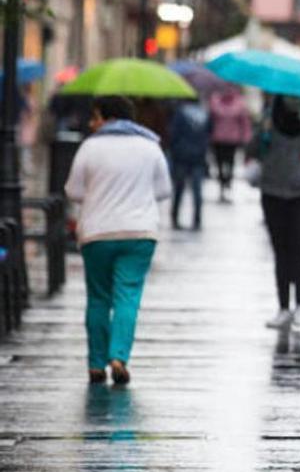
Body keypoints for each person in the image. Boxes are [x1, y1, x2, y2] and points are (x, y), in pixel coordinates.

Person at [64, 96, 172, 385]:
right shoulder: (150, 146)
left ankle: (96, 363)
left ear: (109, 118)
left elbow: (73, 190)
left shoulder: (90, 147)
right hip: (139, 233)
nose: (92, 123)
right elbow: (163, 190)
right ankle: (119, 356)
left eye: (95, 117)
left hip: (97, 233)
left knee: (98, 298)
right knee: (128, 296)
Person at [248, 96, 300, 328]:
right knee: (280, 251)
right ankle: (283, 307)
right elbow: (252, 150)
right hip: (272, 191)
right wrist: (262, 131)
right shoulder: (270, 117)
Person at [168, 100, 211, 230]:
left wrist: (174, 151)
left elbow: (173, 134)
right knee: (197, 191)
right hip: (198, 157)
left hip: (181, 156)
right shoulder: (205, 114)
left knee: (179, 190)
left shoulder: (180, 114)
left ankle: (175, 218)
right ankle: (197, 220)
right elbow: (209, 133)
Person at [209, 87, 252, 202]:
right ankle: (225, 183)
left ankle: (225, 183)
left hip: (228, 140)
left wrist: (246, 137)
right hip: (222, 139)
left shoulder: (216, 101)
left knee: (225, 163)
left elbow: (244, 122)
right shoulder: (238, 103)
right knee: (223, 163)